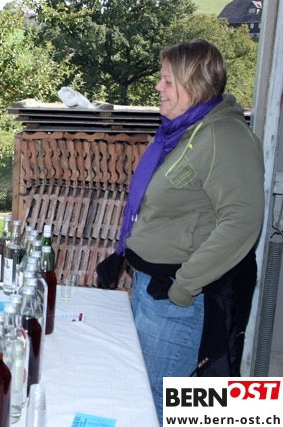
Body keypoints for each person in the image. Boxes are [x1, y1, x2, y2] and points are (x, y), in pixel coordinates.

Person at [96, 39, 264, 424]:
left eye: (168, 81)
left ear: (196, 83)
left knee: (157, 403)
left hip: (178, 298)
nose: (158, 87)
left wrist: (184, 287)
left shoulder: (225, 137)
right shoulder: (183, 131)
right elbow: (163, 208)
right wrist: (126, 253)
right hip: (153, 286)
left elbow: (242, 221)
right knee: (142, 391)